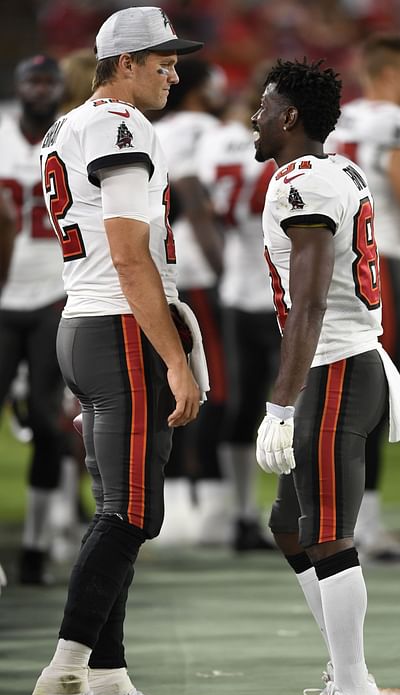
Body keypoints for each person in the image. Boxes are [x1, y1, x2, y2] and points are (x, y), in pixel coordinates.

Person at [25, 6, 205, 695]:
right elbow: (131, 257)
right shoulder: (120, 126)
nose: (175, 71)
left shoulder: (71, 123)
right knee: (132, 510)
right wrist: (173, 355)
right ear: (123, 64)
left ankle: (107, 675)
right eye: (161, 60)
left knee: (119, 507)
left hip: (84, 322)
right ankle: (63, 680)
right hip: (117, 327)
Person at [251, 59, 400, 695]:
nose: (254, 117)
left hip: (338, 365)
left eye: (265, 107)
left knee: (326, 531)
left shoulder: (304, 183)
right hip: (343, 360)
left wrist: (281, 402)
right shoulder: (338, 169)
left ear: (289, 116)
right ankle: (350, 675)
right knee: (290, 524)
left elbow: (313, 300)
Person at [325, 33, 400, 561]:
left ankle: (344, 521)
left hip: (337, 267)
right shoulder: (396, 123)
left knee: (351, 396)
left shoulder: (341, 119)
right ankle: (365, 529)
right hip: (383, 265)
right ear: (391, 74)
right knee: (374, 399)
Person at [197, 85, 280, 551]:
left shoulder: (213, 148)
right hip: (279, 295)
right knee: (296, 408)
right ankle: (300, 514)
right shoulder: (285, 150)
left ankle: (243, 515)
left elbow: (198, 197)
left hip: (234, 289)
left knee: (242, 407)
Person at [154, 58, 231, 545]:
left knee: (173, 379)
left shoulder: (155, 129)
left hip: (163, 265)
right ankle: (201, 500)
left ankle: (180, 497)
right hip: (199, 269)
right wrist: (226, 267)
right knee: (211, 385)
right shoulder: (209, 132)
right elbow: (193, 199)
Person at [0, 55, 67, 585]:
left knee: (48, 423)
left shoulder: (72, 137)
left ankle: (37, 546)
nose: (40, 89)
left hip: (53, 294)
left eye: (49, 81)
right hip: (3, 299)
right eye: (32, 80)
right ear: (19, 86)